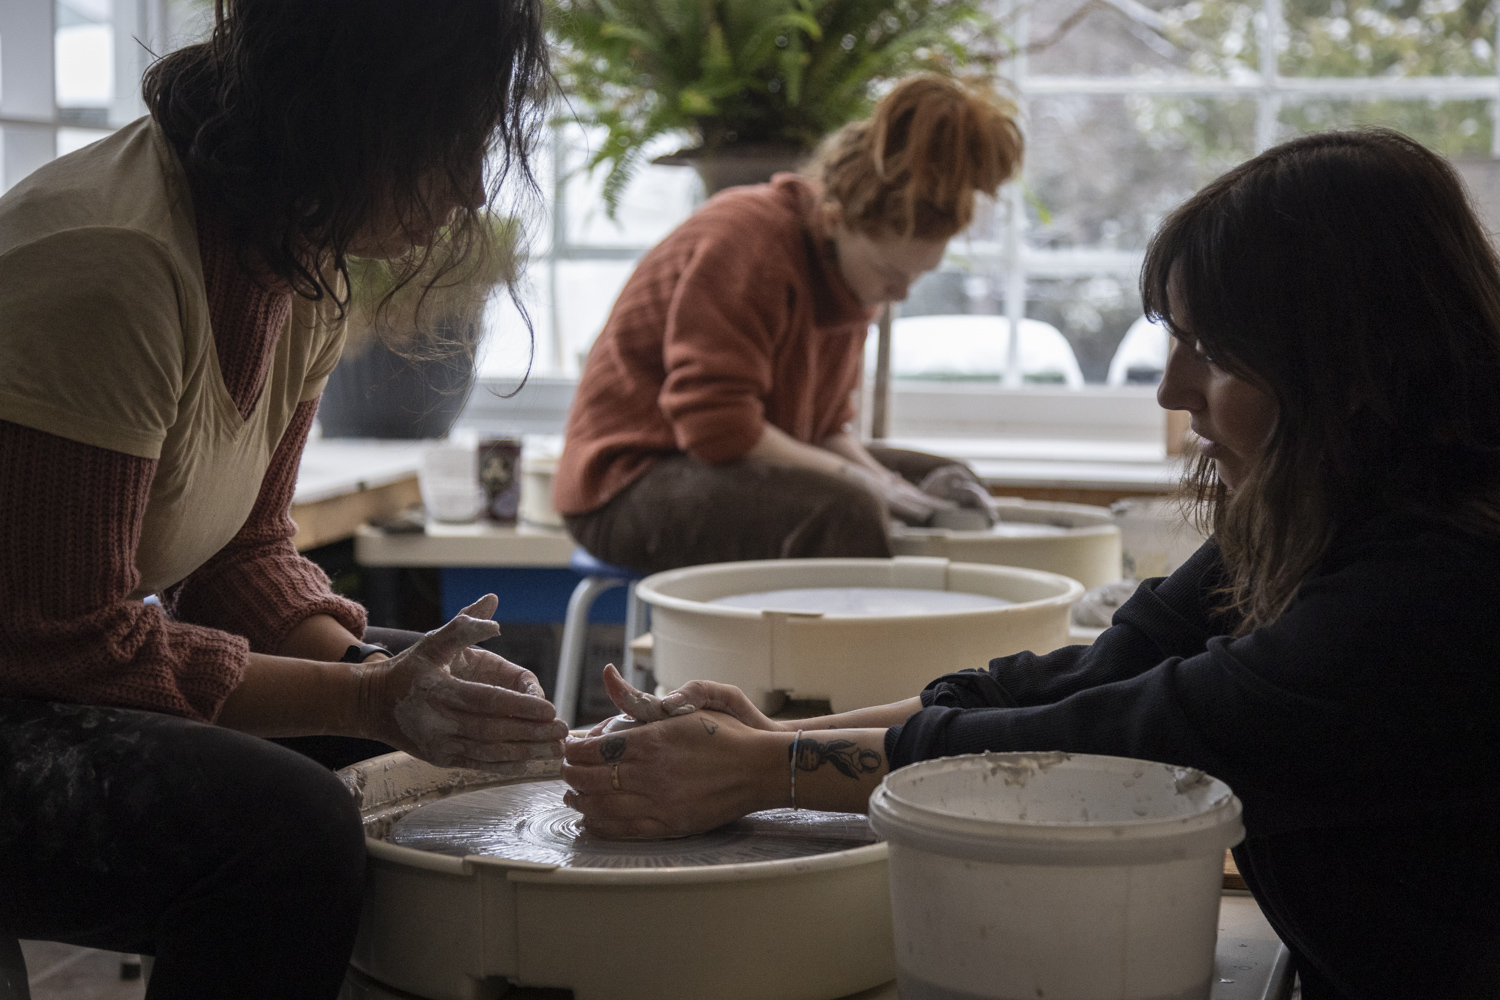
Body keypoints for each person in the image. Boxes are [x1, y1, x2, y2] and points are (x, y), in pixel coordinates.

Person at [561, 129, 1500, 999]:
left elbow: (1126, 740)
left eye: (1211, 350)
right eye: (1175, 340)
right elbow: (1104, 668)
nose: (1171, 389)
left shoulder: (1434, 597)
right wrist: (774, 738)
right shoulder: (1335, 509)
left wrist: (766, 772)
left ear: (1353, 363)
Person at [0, 2, 568, 996]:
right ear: (348, 108)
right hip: (27, 668)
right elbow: (65, 645)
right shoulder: (116, 263)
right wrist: (365, 696)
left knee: (463, 721)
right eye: (449, 141)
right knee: (288, 834)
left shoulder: (296, 259)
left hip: (40, 665)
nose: (473, 189)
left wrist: (384, 681)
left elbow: (242, 556)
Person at [553, 75, 1024, 573]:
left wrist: (892, 486)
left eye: (916, 276)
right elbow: (717, 429)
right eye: (890, 274)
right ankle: (864, 627)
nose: (900, 294)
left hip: (723, 458)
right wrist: (867, 483)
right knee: (846, 511)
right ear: (835, 219)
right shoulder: (749, 243)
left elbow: (823, 430)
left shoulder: (850, 279)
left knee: (949, 483)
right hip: (628, 481)